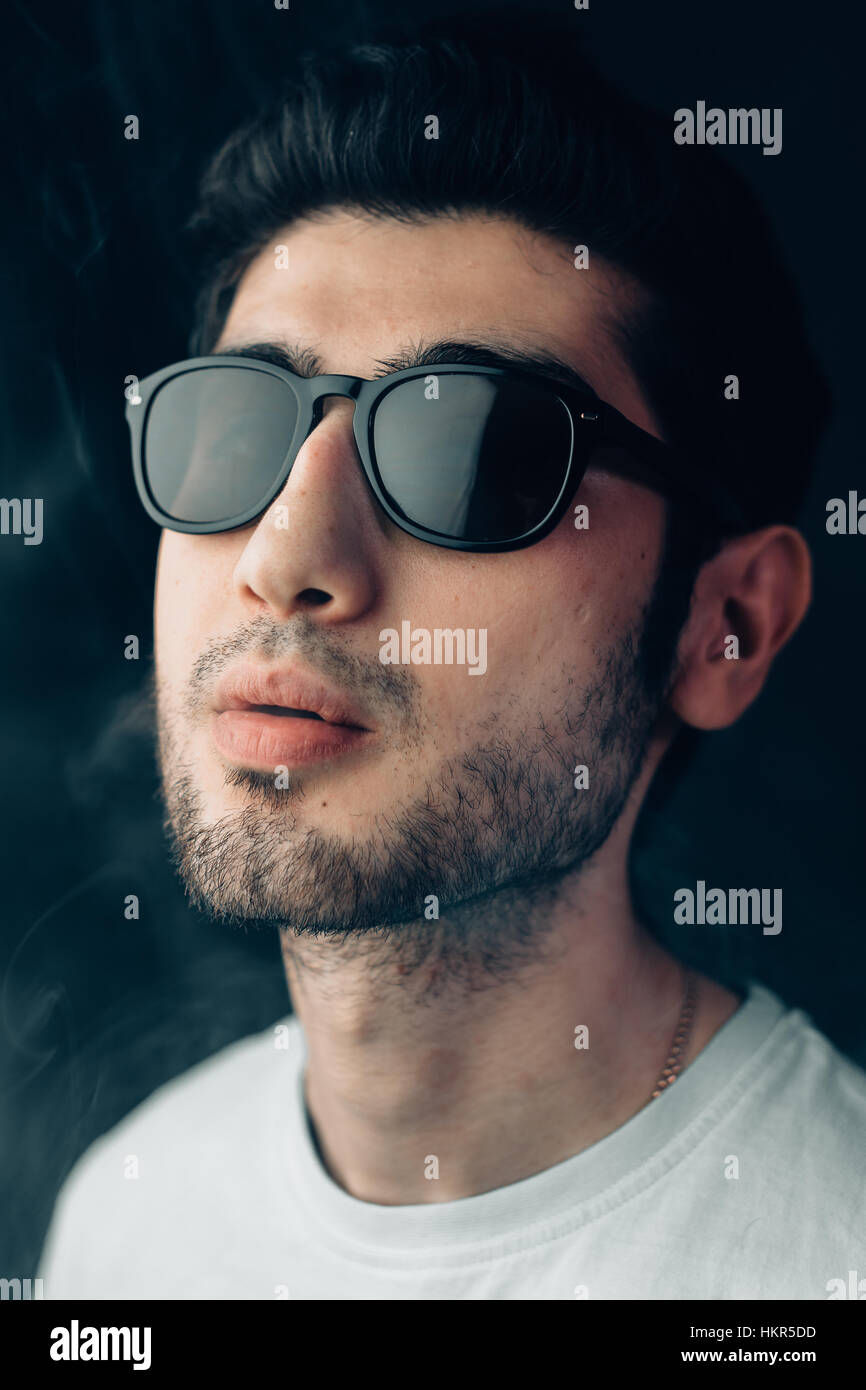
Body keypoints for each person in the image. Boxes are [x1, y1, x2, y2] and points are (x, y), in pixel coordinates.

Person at [39, 11, 865, 1300]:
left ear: (728, 622)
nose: (288, 552)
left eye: (473, 448)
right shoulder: (129, 1224)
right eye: (233, 422)